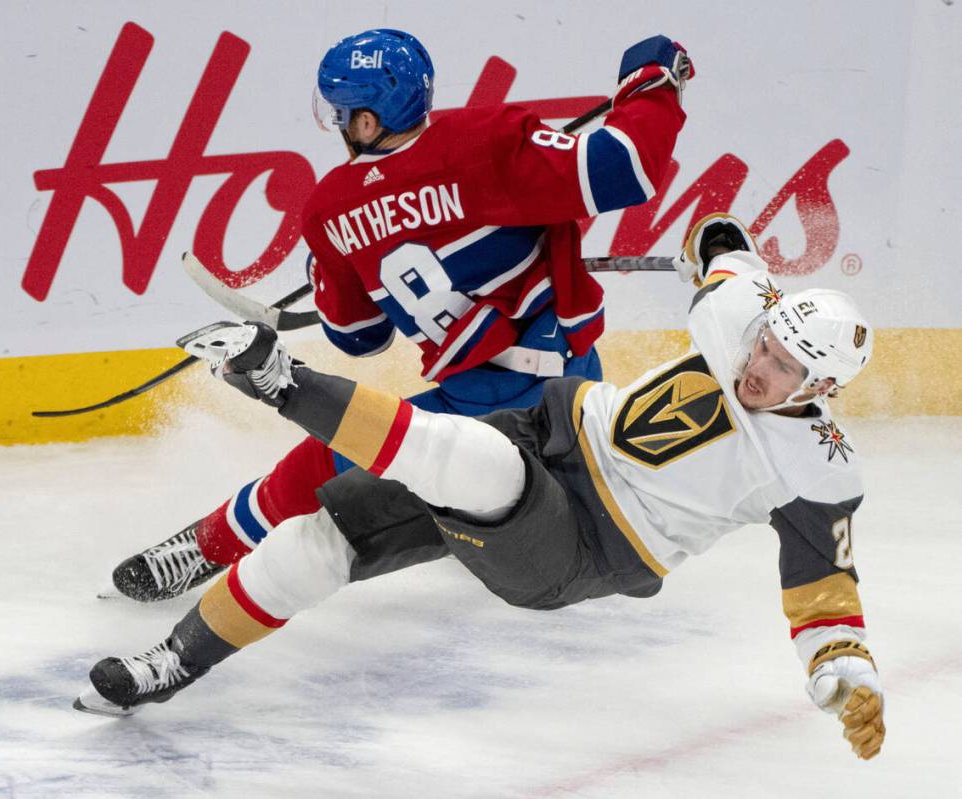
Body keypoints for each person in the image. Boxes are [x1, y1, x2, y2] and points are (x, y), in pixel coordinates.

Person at [77, 214, 885, 761]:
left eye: (782, 367)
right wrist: (705, 244)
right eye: (766, 344)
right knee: (317, 541)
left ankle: (282, 382)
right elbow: (724, 246)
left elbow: (825, 591)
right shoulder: (745, 313)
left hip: (584, 544)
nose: (758, 365)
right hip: (551, 428)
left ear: (820, 387)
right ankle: (171, 662)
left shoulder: (814, 466)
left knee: (472, 463)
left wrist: (845, 672)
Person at [110, 29, 694, 603]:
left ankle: (210, 547)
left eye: (343, 113)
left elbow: (360, 338)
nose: (340, 126)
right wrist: (652, 82)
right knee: (547, 504)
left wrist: (329, 265)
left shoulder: (331, 208)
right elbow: (627, 167)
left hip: (473, 406)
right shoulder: (488, 139)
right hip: (573, 396)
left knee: (330, 457)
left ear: (367, 122)